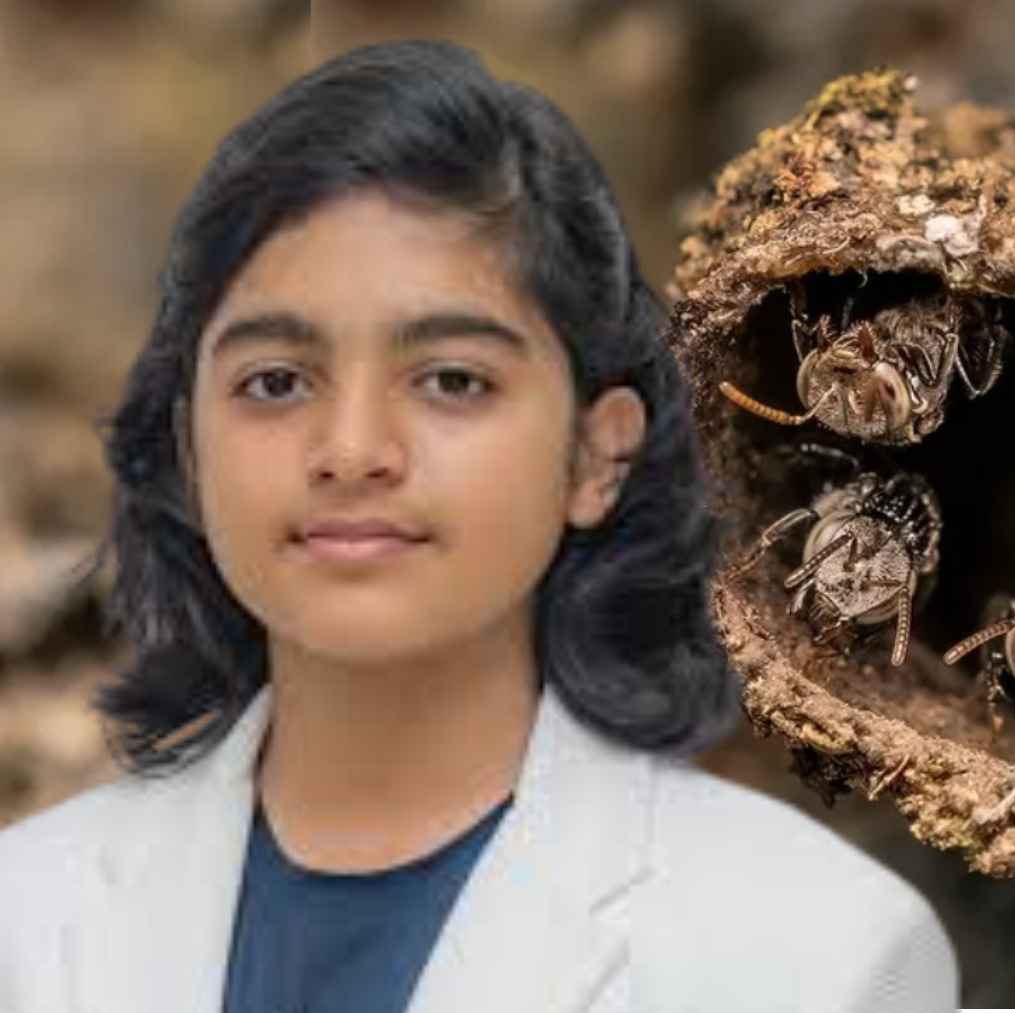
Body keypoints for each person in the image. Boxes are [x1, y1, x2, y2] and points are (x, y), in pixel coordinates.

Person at [0, 39, 958, 1013]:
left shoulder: (822, 954)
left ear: (597, 455)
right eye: (276, 381)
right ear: (190, 450)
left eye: (453, 380)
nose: (354, 448)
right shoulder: (25, 917)